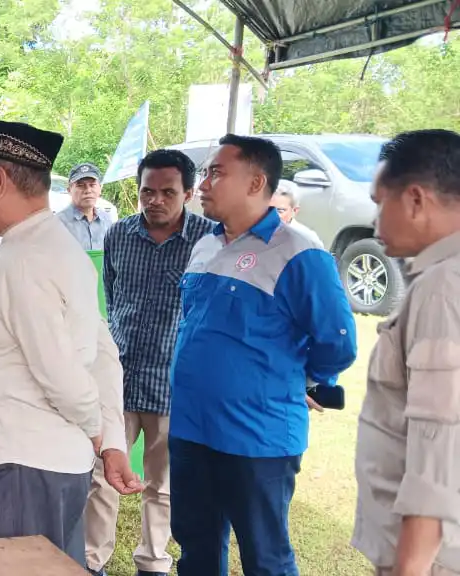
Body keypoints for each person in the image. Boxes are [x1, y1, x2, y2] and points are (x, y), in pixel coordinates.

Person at [170, 134, 358, 576]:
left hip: (258, 438)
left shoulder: (299, 251)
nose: (204, 183)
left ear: (256, 183)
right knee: (195, 549)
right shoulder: (205, 246)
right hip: (192, 429)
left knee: (265, 557)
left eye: (217, 173)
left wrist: (305, 377)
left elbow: (338, 340)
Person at [0, 120, 127, 568]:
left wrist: (96, 432)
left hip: (20, 467)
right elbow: (103, 352)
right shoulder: (57, 247)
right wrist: (111, 442)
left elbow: (62, 374)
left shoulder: (26, 259)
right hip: (39, 464)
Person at [85, 149, 215, 576]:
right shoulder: (118, 235)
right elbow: (113, 294)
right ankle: (92, 561)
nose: (155, 200)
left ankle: (154, 562)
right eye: (146, 191)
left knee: (163, 484)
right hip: (117, 380)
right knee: (101, 477)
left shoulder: (210, 241)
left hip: (173, 382)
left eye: (167, 192)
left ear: (189, 193)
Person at [354, 129, 460, 576]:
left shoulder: (442, 288)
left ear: (415, 199)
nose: (375, 224)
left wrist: (409, 568)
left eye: (381, 203)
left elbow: (439, 455)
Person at [57, 162, 114, 251]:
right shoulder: (57, 223)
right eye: (80, 185)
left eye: (92, 185)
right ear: (69, 190)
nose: (88, 190)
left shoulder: (107, 220)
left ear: (100, 189)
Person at [270, 181, 324, 248]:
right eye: (267, 209)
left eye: (280, 211)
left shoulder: (307, 240)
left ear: (294, 211)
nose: (271, 215)